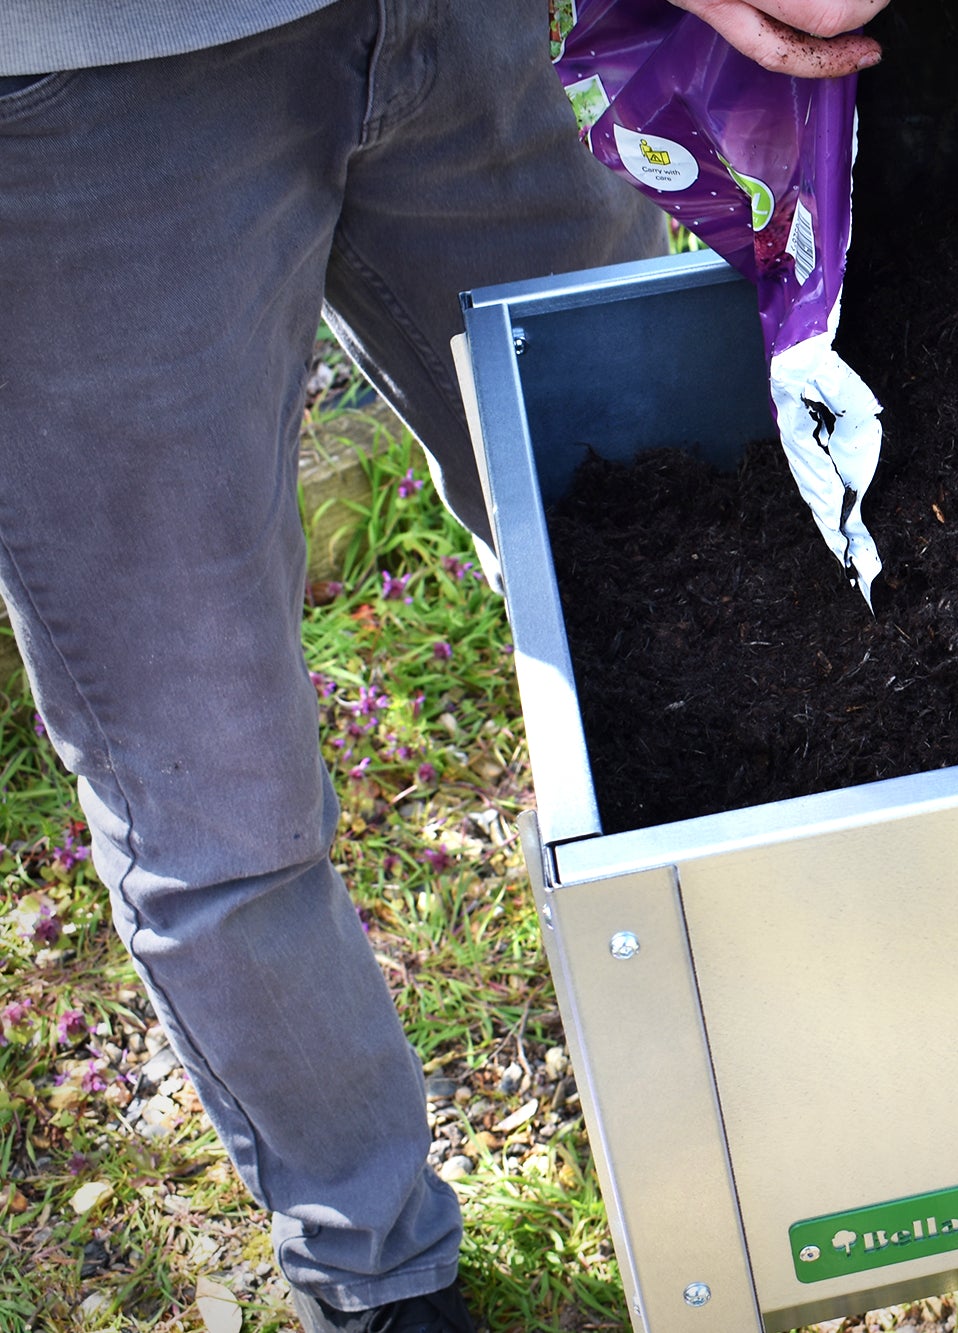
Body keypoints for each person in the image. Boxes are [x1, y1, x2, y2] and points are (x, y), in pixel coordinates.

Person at [0, 1, 886, 1329]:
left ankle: (797, 1054)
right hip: (87, 93)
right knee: (209, 782)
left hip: (444, 25)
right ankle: (379, 1267)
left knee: (658, 532)